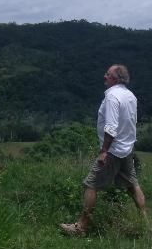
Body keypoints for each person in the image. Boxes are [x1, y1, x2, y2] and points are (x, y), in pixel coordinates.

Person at [60, 64, 146, 236]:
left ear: (115, 78)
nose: (104, 76)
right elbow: (131, 122)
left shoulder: (112, 97)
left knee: (91, 185)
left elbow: (111, 127)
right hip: (127, 149)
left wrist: (104, 150)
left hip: (113, 150)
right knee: (132, 185)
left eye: (108, 74)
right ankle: (145, 223)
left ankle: (81, 228)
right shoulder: (130, 96)